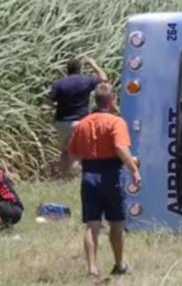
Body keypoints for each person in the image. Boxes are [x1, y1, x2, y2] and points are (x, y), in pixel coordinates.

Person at [68, 82, 142, 278]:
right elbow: (120, 148)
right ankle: (119, 264)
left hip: (89, 174)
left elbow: (73, 153)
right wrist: (134, 169)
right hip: (110, 174)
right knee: (116, 222)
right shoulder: (116, 122)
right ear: (111, 100)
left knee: (92, 224)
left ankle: (92, 268)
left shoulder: (83, 123)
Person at [46, 57, 108, 178]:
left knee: (64, 152)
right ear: (80, 69)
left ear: (67, 70)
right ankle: (73, 178)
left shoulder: (59, 83)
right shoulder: (85, 81)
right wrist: (93, 64)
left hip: (61, 122)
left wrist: (57, 106)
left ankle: (63, 177)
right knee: (76, 152)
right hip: (79, 122)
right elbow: (104, 79)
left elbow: (48, 101)